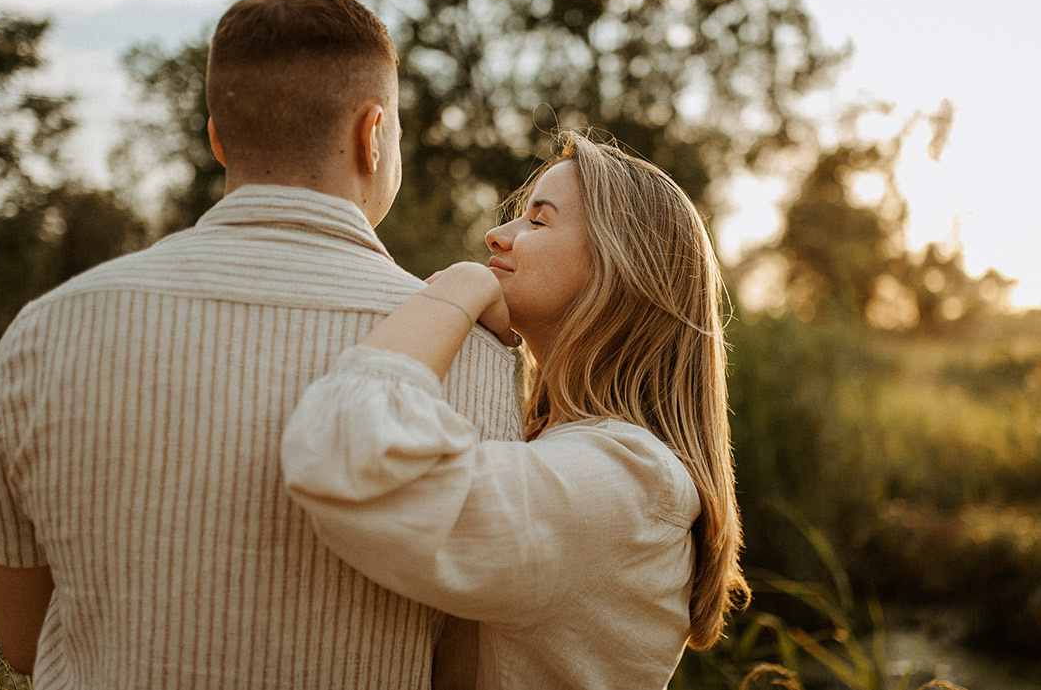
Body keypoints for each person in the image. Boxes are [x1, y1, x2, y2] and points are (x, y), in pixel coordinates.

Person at [0, 0, 521, 688]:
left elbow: (20, 638)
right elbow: (470, 659)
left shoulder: (46, 332)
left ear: (217, 137)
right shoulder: (473, 358)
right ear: (373, 134)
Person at [281, 132, 751, 689]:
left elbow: (348, 454)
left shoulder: (633, 484)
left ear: (619, 267)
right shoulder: (582, 456)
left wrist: (457, 288)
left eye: (538, 221)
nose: (496, 236)